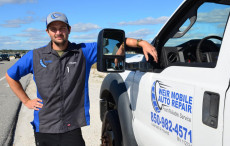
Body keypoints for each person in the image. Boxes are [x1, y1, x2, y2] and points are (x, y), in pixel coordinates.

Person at [5, 12, 158, 146]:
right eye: (54, 29)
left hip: (71, 126)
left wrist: (140, 42)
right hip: (44, 126)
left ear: (69, 30)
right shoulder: (35, 55)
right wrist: (26, 101)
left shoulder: (82, 52)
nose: (58, 32)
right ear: (48, 32)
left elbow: (112, 42)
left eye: (62, 28)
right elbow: (11, 75)